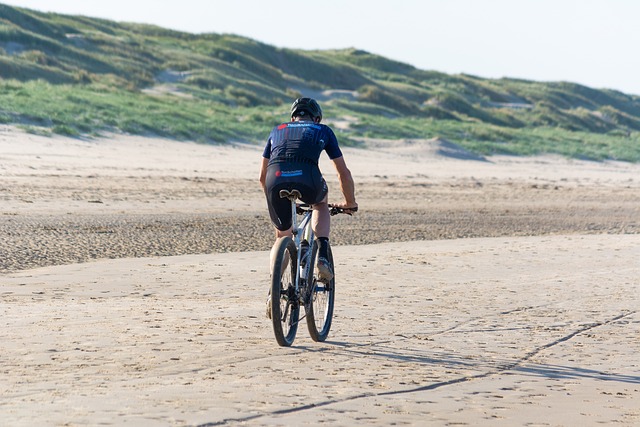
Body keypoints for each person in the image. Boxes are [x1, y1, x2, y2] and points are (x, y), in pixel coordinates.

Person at [259, 97, 357, 282]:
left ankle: (274, 288)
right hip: (307, 179)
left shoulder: (277, 130)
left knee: (282, 235)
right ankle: (323, 256)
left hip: (275, 180)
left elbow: (262, 177)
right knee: (320, 203)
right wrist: (349, 202)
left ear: (293, 117)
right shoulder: (323, 130)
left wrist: (276, 201)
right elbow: (343, 173)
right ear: (317, 118)